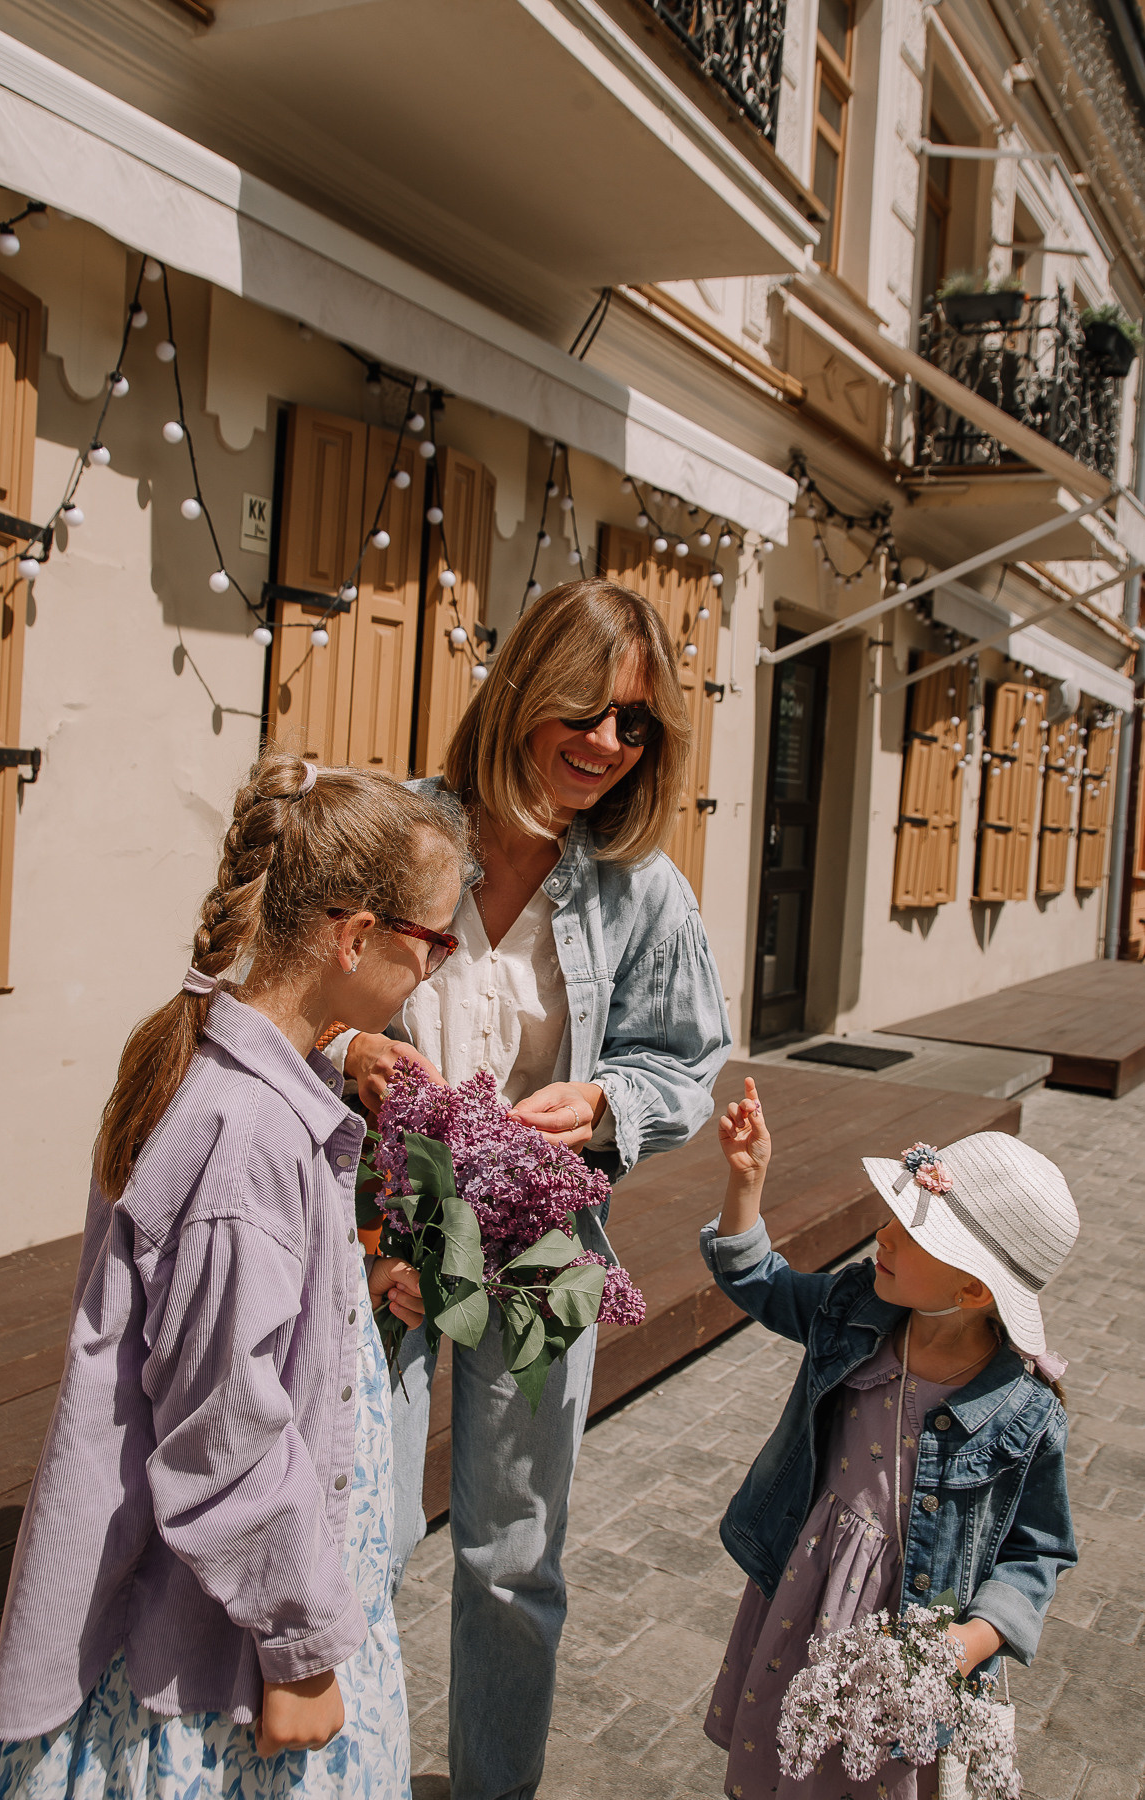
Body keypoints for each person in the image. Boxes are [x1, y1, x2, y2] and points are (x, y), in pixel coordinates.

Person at [0, 751, 469, 1800]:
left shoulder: (239, 1073)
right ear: (354, 937)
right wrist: (301, 1652)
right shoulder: (243, 1143)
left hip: (251, 1607)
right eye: (433, 940)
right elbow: (221, 1425)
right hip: (218, 1662)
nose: (438, 967)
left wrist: (340, 1061)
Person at [333, 579, 733, 1800]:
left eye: (636, 728)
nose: (608, 746)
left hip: (538, 1237)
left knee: (513, 1557)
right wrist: (345, 1052)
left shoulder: (640, 890)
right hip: (380, 1236)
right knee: (364, 1537)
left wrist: (610, 1102)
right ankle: (347, 1773)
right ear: (525, 693)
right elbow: (270, 987)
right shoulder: (395, 831)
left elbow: (691, 1060)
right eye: (588, 710)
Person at [699, 1077, 1079, 1800]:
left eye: (913, 1233)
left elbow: (1040, 1550)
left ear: (973, 1291)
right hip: (806, 1604)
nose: (884, 1234)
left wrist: (970, 1643)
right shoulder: (854, 1313)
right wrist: (746, 1181)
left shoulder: (1026, 1414)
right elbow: (758, 1281)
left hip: (911, 1649)